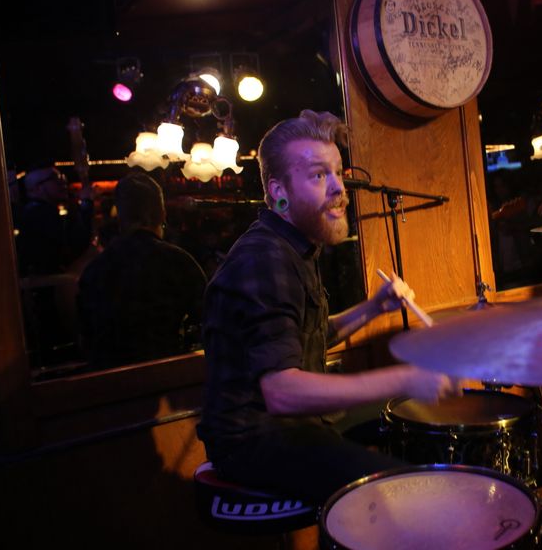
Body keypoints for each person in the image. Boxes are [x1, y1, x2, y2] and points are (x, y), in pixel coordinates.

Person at [196, 110, 460, 503]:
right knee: (403, 491)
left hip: (293, 425)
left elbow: (308, 337)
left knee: (415, 426)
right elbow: (281, 392)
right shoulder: (264, 258)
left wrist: (373, 308)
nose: (339, 187)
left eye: (338, 172)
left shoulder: (294, 246)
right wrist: (406, 379)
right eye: (319, 175)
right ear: (279, 192)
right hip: (254, 440)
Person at [77, 172, 207, 369]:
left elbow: (85, 335)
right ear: (162, 213)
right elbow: (211, 318)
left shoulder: (95, 269)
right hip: (168, 372)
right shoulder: (178, 262)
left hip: (108, 377)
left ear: (120, 217)